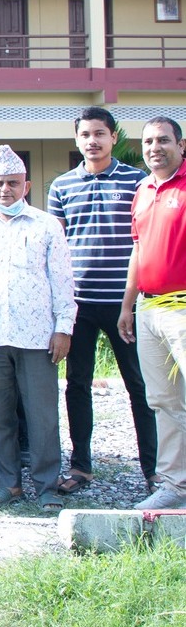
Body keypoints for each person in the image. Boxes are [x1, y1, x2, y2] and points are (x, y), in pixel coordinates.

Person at [0, 146, 75, 509]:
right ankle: (6, 483)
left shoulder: (46, 225)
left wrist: (63, 328)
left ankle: (47, 485)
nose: (5, 190)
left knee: (42, 416)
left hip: (38, 337)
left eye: (12, 183)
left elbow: (63, 280)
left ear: (27, 185)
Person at [47, 106, 156, 495]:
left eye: (100, 134)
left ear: (113, 137)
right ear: (76, 139)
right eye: (85, 134)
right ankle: (81, 467)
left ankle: (153, 469)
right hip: (78, 305)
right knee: (77, 384)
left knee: (139, 386)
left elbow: (143, 242)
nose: (92, 141)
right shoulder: (61, 186)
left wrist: (130, 303)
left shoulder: (137, 181)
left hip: (124, 303)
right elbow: (56, 249)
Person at [119, 117, 186, 510]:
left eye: (163, 140)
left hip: (182, 306)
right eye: (147, 142)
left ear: (181, 144)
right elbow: (139, 249)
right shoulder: (143, 189)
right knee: (163, 401)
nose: (154, 147)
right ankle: (175, 486)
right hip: (148, 308)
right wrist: (128, 306)